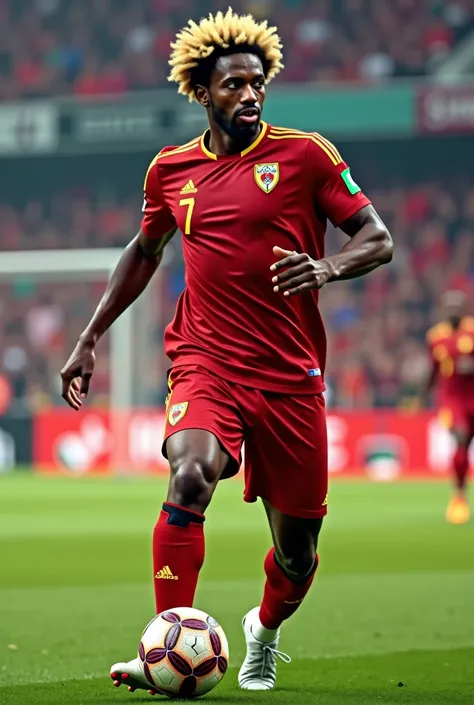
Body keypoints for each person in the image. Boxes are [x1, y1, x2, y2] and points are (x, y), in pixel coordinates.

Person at [60, 8, 393, 693]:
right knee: (188, 476)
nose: (249, 94)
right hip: (205, 359)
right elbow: (143, 252)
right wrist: (90, 335)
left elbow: (378, 237)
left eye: (257, 83)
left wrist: (327, 268)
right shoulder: (171, 170)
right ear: (203, 92)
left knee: (297, 553)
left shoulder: (306, 155)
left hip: (290, 376)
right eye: (234, 85)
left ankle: (263, 632)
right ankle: (164, 649)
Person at [423, 290, 474, 524]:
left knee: (464, 443)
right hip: (451, 397)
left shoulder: (473, 331)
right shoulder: (435, 337)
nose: (453, 311)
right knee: (461, 437)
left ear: (464, 309)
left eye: (457, 306)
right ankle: (459, 497)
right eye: (449, 306)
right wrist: (423, 395)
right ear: (444, 310)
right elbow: (433, 369)